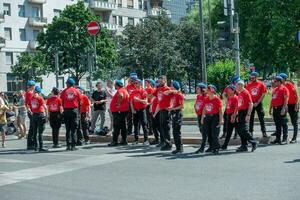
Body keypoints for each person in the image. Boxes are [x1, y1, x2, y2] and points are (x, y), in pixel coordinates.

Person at [235, 80, 257, 152]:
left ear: (241, 85)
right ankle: (244, 145)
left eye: (237, 85)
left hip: (245, 112)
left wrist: (248, 114)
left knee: (244, 129)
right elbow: (239, 105)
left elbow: (251, 104)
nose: (236, 87)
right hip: (241, 112)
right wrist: (238, 114)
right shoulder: (240, 93)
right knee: (239, 130)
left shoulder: (246, 93)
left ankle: (253, 142)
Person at [200, 84, 223, 155]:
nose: (207, 90)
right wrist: (202, 117)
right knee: (208, 133)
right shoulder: (206, 99)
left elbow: (220, 110)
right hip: (207, 117)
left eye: (208, 89)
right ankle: (211, 146)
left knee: (214, 134)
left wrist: (221, 119)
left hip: (215, 117)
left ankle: (217, 147)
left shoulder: (217, 99)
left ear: (212, 91)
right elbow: (204, 108)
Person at [60, 78, 82, 151]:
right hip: (74, 111)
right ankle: (73, 145)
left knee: (68, 129)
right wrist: (78, 112)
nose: (66, 84)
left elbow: (62, 102)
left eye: (66, 83)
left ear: (68, 84)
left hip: (66, 111)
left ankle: (68, 145)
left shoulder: (63, 92)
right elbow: (80, 102)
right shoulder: (77, 91)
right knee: (74, 129)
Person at [153, 75, 173, 151]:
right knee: (162, 127)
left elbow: (175, 96)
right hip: (161, 110)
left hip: (166, 110)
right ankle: (164, 142)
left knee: (166, 128)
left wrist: (171, 106)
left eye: (161, 81)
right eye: (159, 81)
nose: (160, 82)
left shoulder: (167, 89)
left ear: (165, 81)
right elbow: (153, 97)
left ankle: (168, 144)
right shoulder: (158, 89)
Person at [245, 71, 268, 137]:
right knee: (251, 118)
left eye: (253, 77)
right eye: (251, 77)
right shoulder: (249, 85)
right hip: (251, 103)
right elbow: (247, 94)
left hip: (258, 103)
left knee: (261, 118)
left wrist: (258, 102)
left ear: (256, 77)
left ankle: (264, 132)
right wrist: (250, 103)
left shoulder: (261, 84)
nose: (251, 79)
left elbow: (263, 94)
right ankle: (251, 132)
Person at [279, 73, 298, 143]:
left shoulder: (289, 84)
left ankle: (294, 138)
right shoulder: (280, 86)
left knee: (294, 122)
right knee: (282, 120)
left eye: (280, 78)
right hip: (286, 105)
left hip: (293, 105)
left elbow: (296, 95)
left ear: (284, 79)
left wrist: (296, 105)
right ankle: (281, 136)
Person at [109, 80, 130, 146]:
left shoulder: (120, 90)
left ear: (117, 85)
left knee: (116, 126)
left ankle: (115, 141)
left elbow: (120, 96)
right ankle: (124, 140)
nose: (114, 86)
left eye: (115, 85)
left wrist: (118, 104)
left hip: (119, 111)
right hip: (122, 111)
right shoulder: (124, 90)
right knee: (123, 126)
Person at [269, 76, 289, 145]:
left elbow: (286, 99)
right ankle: (278, 139)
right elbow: (272, 99)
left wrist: (283, 108)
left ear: (279, 82)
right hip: (275, 108)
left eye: (275, 81)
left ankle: (284, 139)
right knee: (277, 124)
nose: (274, 82)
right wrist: (270, 108)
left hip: (281, 108)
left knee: (284, 124)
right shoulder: (275, 89)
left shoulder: (284, 89)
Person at [130, 79, 149, 145]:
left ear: (140, 84)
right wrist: (132, 109)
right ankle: (136, 140)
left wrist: (138, 100)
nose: (135, 84)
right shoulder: (133, 92)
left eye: (136, 83)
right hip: (135, 110)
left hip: (142, 109)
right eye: (134, 83)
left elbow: (145, 101)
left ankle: (146, 140)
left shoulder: (143, 91)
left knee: (144, 124)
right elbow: (131, 101)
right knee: (135, 125)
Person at [29, 86, 48, 152]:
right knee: (40, 132)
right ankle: (41, 147)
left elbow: (28, 106)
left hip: (34, 115)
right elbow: (45, 107)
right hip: (40, 115)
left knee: (35, 132)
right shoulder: (40, 98)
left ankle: (36, 147)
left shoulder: (31, 98)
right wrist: (47, 116)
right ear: (39, 92)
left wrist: (31, 112)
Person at [169, 81, 184, 154]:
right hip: (174, 113)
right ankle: (177, 148)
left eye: (172, 85)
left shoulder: (179, 95)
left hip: (178, 114)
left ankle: (180, 148)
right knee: (174, 132)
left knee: (177, 132)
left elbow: (181, 106)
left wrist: (172, 108)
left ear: (175, 86)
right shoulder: (173, 95)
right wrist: (171, 108)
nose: (170, 87)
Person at [221, 85, 238, 150]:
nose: (227, 90)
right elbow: (224, 95)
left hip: (233, 116)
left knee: (240, 131)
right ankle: (225, 145)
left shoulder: (235, 97)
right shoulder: (229, 97)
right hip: (229, 115)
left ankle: (251, 143)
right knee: (229, 132)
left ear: (233, 91)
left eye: (229, 89)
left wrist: (233, 116)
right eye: (228, 89)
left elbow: (237, 108)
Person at [194, 83, 208, 154]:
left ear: (202, 89)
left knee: (204, 131)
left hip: (204, 116)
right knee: (201, 130)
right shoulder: (198, 96)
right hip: (199, 115)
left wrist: (202, 116)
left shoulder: (205, 97)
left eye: (198, 88)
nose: (196, 89)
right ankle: (209, 143)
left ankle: (202, 147)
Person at [25, 80, 35, 150]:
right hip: (31, 112)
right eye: (34, 86)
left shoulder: (28, 93)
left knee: (32, 128)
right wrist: (30, 111)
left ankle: (30, 144)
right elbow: (28, 104)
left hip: (30, 111)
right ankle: (30, 144)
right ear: (32, 86)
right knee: (32, 128)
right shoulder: (30, 93)